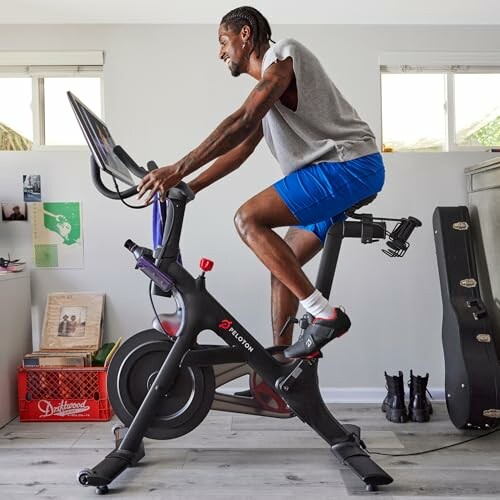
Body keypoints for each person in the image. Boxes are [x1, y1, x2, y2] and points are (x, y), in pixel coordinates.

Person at [138, 6, 385, 358]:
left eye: (223, 41)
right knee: (283, 267)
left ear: (245, 35)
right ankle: (281, 369)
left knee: (247, 218)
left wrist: (178, 167)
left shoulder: (283, 55)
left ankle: (325, 315)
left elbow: (242, 119)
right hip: (335, 172)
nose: (220, 52)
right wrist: (190, 187)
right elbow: (239, 148)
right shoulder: (268, 94)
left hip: (349, 165)